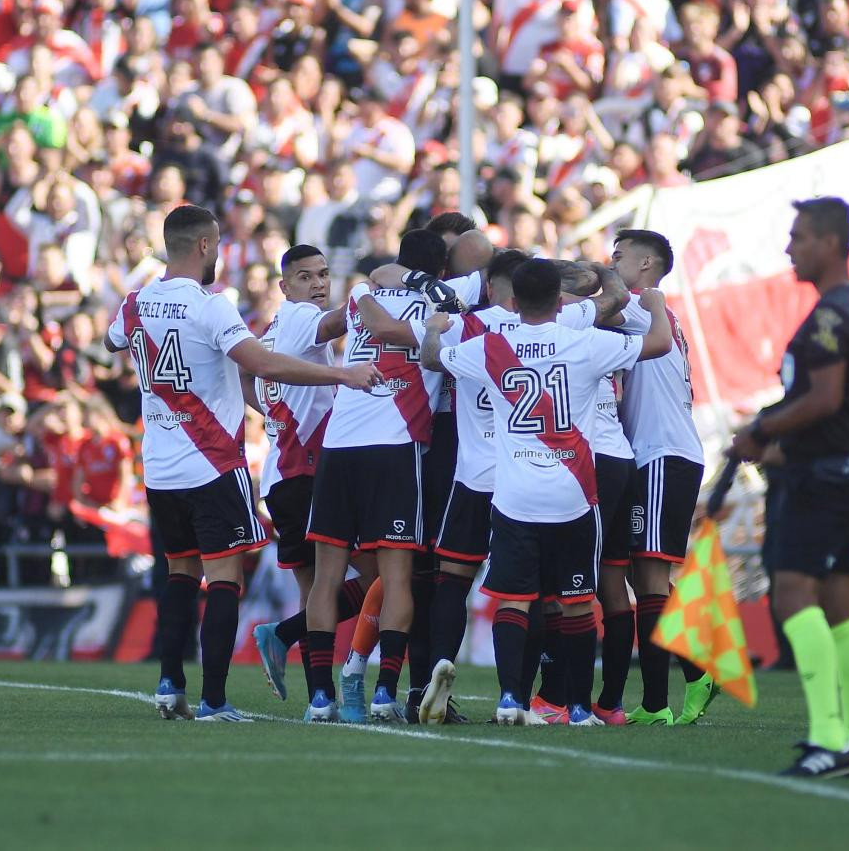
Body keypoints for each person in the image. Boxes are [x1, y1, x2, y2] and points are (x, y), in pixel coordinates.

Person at [104, 204, 381, 723]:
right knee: (225, 579)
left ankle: (169, 685)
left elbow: (110, 340)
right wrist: (344, 377)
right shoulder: (212, 305)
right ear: (206, 247)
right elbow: (259, 363)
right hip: (211, 460)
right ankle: (213, 699)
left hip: (160, 464)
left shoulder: (135, 302)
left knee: (179, 573)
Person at [362, 250, 629, 724]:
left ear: (492, 288)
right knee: (548, 597)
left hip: (476, 476)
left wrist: (431, 321)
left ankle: (431, 676)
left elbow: (425, 352)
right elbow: (614, 300)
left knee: (453, 581)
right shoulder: (568, 321)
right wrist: (595, 272)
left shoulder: (471, 328)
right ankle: (526, 695)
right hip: (536, 476)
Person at [420, 258, 674, 726]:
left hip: (513, 493)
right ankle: (579, 708)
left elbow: (432, 357)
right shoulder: (585, 342)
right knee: (577, 603)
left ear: (513, 304)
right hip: (574, 493)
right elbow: (659, 342)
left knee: (513, 600)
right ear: (562, 302)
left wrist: (436, 328)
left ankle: (510, 700)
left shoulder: (490, 347)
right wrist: (656, 305)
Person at [730, 197, 849, 778]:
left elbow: (824, 399)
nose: (789, 248)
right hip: (843, 471)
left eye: (799, 237)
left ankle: (829, 739)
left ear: (830, 243)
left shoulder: (827, 318)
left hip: (818, 482)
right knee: (842, 607)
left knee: (793, 592)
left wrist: (762, 429)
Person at [302, 229, 448, 724]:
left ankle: (320, 697)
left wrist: (364, 288)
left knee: (326, 575)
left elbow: (368, 316)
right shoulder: (439, 311)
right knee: (396, 576)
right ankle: (385, 690)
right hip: (395, 446)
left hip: (340, 444)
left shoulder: (365, 299)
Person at [248, 245, 376, 711]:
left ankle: (319, 697)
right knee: (380, 575)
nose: (318, 284)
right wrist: (371, 294)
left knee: (314, 590)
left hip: (281, 475)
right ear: (285, 288)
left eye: (323, 274)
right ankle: (284, 638)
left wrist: (271, 414)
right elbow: (333, 323)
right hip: (308, 472)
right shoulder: (301, 317)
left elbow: (246, 376)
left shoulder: (267, 334)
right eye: (305, 277)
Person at [606, 229, 711, 727]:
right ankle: (695, 671)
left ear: (647, 265)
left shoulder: (642, 306)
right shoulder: (650, 310)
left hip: (663, 452)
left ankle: (655, 703)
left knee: (649, 578)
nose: (611, 263)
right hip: (655, 452)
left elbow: (589, 298)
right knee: (639, 575)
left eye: (619, 256)